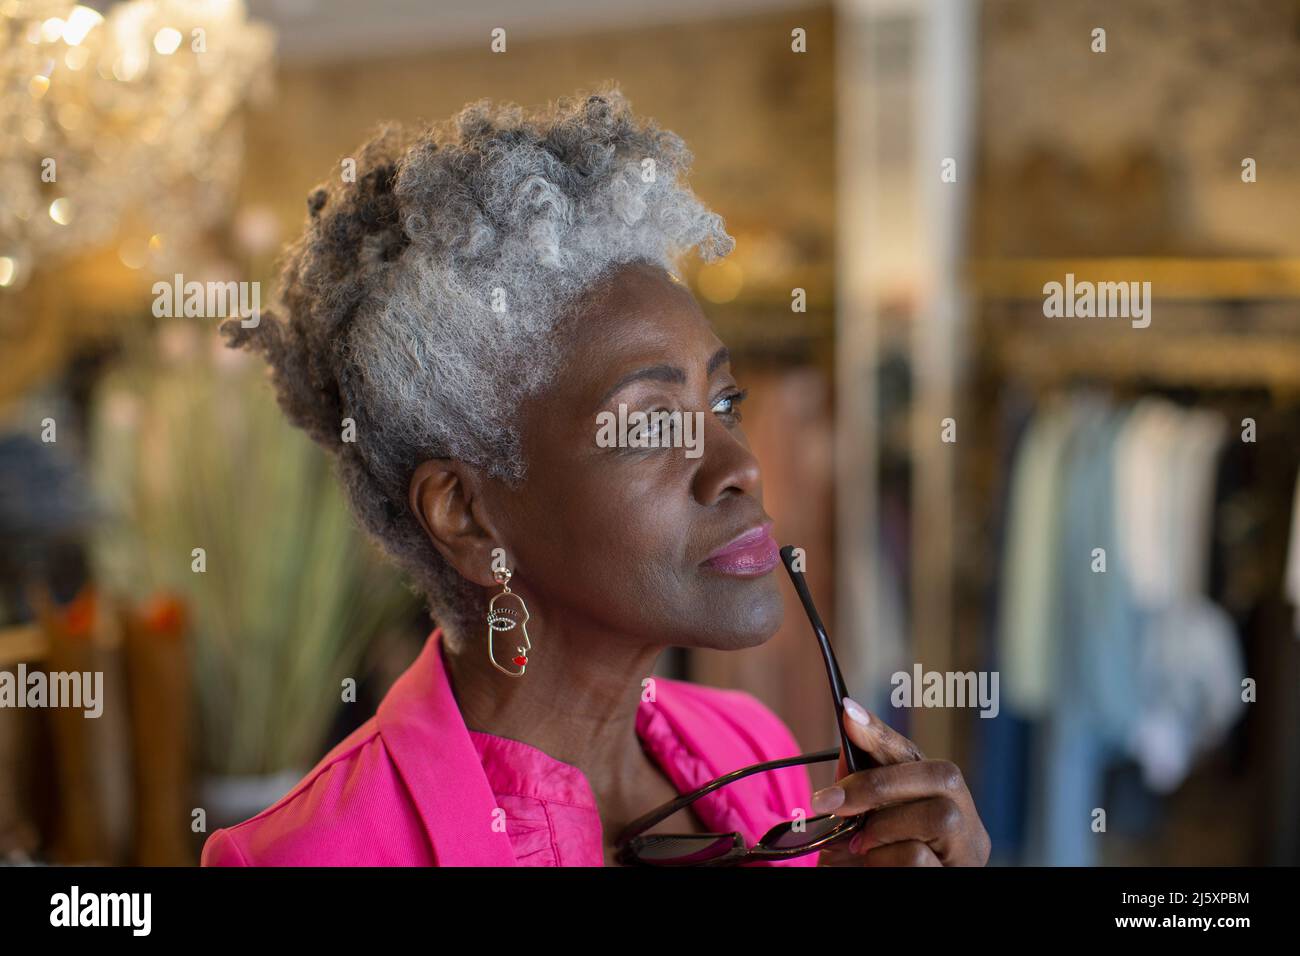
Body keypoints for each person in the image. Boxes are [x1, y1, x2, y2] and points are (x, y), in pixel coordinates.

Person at [200, 84, 989, 867]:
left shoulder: (755, 749)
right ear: (467, 516)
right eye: (648, 422)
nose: (740, 465)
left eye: (726, 400)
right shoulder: (307, 855)